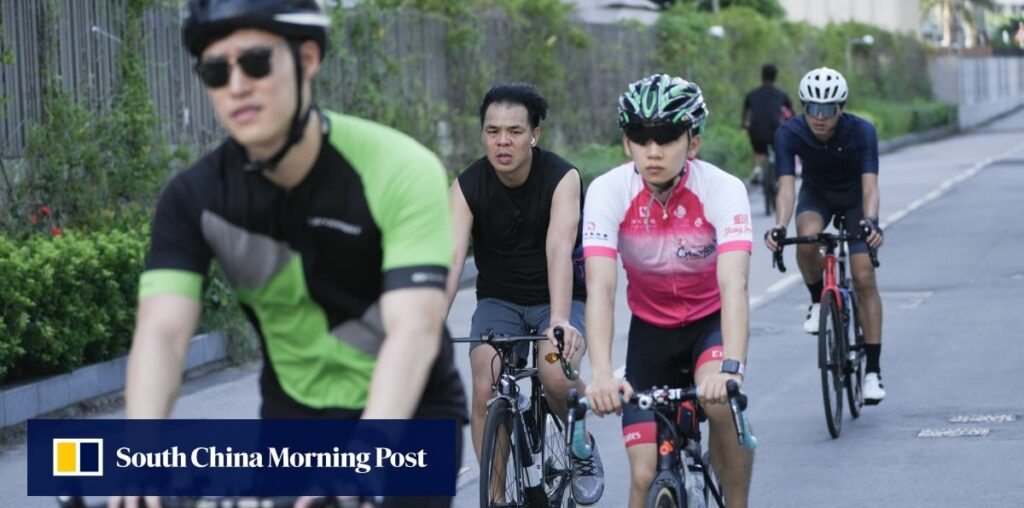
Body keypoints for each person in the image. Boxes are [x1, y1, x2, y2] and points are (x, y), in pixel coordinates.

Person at [117, 1, 466, 507]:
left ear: (306, 59)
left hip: (409, 416)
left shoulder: (399, 167)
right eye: (216, 72)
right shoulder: (193, 198)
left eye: (256, 62)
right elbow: (163, 332)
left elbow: (413, 328)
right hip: (295, 420)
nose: (236, 85)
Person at [583, 74, 754, 508]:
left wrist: (731, 367)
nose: (653, 150)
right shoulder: (608, 191)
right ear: (627, 143)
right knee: (643, 475)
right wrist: (601, 373)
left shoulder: (722, 189)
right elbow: (601, 288)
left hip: (707, 328)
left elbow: (735, 284)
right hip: (650, 336)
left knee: (720, 406)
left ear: (692, 143)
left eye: (667, 137)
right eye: (641, 137)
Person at [445, 82, 605, 505]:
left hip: (559, 297)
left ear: (535, 133)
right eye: (493, 130)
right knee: (485, 387)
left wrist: (558, 320)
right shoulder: (466, 186)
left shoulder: (561, 177)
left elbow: (558, 250)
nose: (503, 141)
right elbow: (452, 259)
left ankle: (580, 446)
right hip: (499, 302)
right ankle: (496, 499)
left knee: (555, 375)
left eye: (514, 131)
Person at [764, 67, 886, 404]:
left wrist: (872, 222)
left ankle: (873, 372)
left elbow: (871, 186)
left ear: (841, 108)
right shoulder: (789, 133)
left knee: (863, 275)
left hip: (855, 200)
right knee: (806, 238)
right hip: (817, 195)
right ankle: (819, 300)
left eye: (828, 110)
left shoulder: (862, 131)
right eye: (812, 109)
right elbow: (786, 188)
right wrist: (779, 225)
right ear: (803, 107)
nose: (819, 117)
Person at [742, 63, 793, 185]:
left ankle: (757, 169)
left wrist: (744, 124)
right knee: (779, 148)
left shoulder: (752, 94)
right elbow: (792, 112)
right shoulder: (781, 94)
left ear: (762, 76)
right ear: (775, 77)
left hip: (756, 131)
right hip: (776, 130)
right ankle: (780, 172)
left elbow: (745, 112)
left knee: (758, 150)